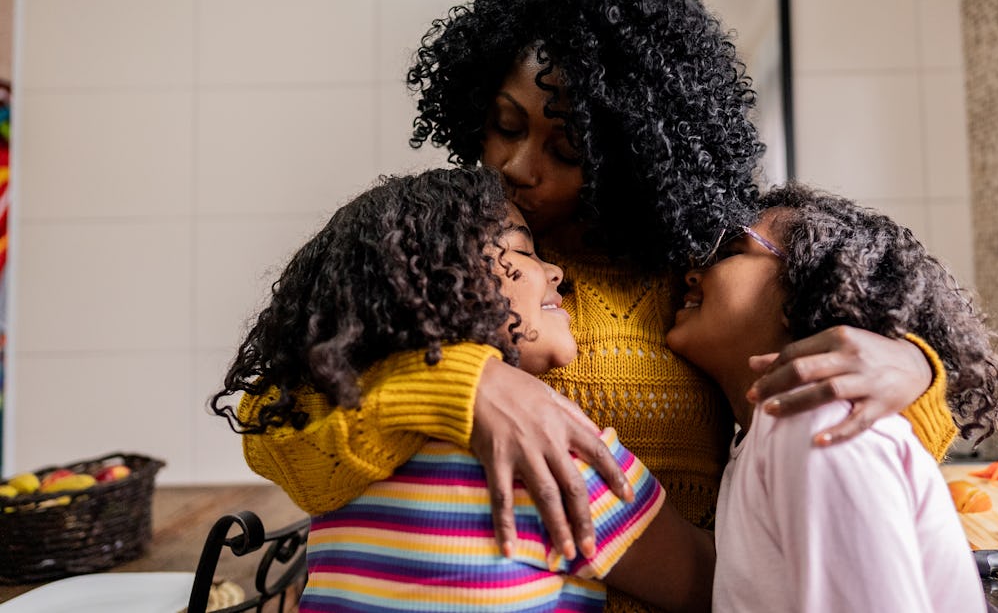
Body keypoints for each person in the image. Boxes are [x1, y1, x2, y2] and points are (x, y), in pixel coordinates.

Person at [237, 0, 960, 609]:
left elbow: (854, 466)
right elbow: (278, 439)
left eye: (569, 151)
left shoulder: (694, 287)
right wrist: (463, 385)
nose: (518, 167)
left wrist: (913, 371)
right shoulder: (448, 270)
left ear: (640, 155)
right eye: (506, 126)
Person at [211, 167, 714, 612]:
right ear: (429, 283)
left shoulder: (352, 449)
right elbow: (712, 584)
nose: (555, 271)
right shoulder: (558, 451)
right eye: (522, 250)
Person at [666, 182, 998, 612]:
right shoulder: (768, 433)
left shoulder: (820, 427)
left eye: (734, 250)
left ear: (803, 289)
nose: (693, 273)